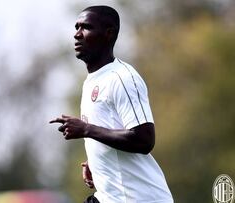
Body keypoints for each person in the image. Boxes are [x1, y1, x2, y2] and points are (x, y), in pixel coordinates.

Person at [49, 5, 173, 203]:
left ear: (109, 34)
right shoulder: (92, 81)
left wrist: (86, 129)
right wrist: (98, 162)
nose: (77, 34)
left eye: (86, 27)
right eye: (76, 27)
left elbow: (144, 139)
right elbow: (112, 129)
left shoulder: (122, 77)